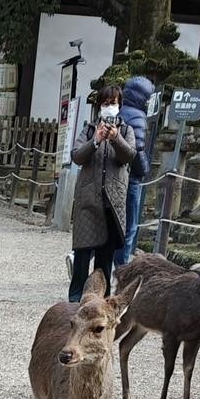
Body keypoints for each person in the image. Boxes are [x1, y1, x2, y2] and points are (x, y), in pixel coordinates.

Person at [68, 86, 136, 300]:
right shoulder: (89, 129)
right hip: (88, 202)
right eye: (106, 103)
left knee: (104, 260)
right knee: (81, 256)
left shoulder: (126, 131)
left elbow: (129, 156)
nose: (109, 107)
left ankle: (100, 302)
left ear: (120, 106)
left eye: (113, 103)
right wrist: (95, 140)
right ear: (99, 106)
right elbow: (77, 156)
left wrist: (115, 139)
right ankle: (75, 299)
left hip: (112, 203)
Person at [115, 74, 154, 266]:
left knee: (111, 223)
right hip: (131, 178)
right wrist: (144, 169)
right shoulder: (138, 115)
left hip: (114, 175)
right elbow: (137, 148)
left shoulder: (119, 111)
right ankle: (122, 270)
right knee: (128, 226)